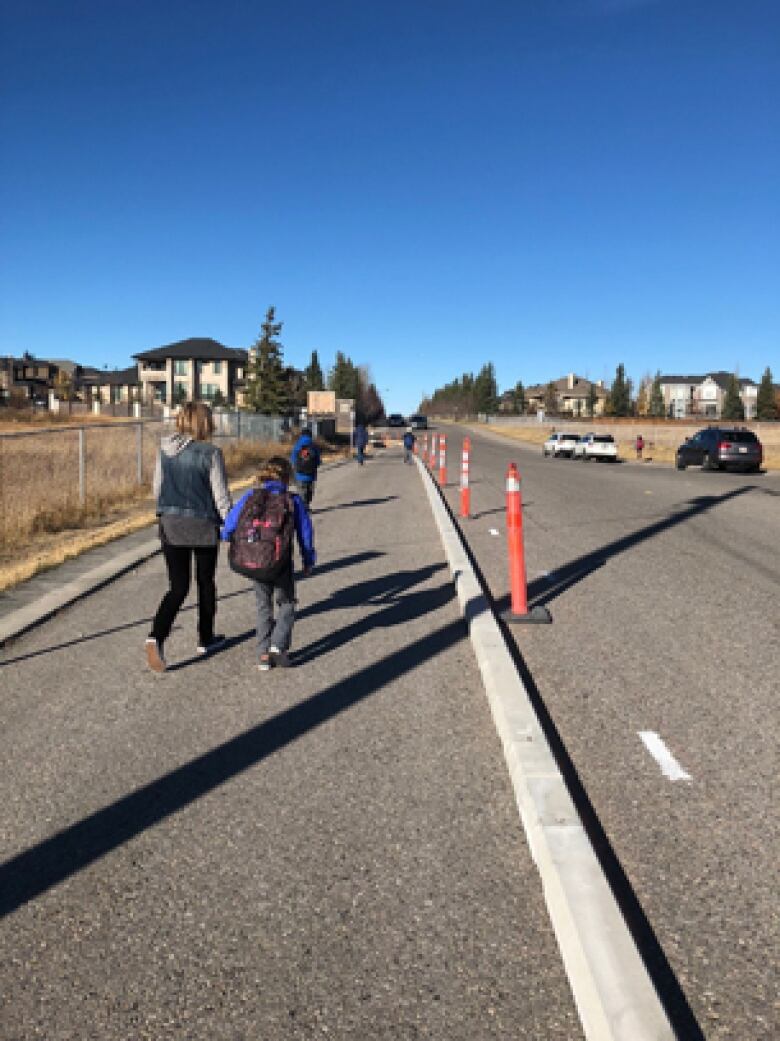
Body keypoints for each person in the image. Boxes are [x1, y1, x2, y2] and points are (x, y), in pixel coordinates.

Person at [145, 402, 232, 673]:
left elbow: (157, 488)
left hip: (171, 523)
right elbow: (220, 496)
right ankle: (206, 638)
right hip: (202, 524)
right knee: (205, 582)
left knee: (178, 586)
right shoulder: (211, 453)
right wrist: (230, 526)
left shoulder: (165, 451)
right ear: (205, 423)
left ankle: (156, 636)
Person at [222, 456, 315, 671]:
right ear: (286, 477)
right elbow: (306, 534)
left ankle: (263, 654)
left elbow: (230, 523)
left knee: (263, 606)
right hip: (280, 564)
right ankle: (278, 645)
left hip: (255, 561)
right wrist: (308, 559)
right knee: (287, 603)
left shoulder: (250, 496)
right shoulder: (293, 501)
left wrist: (229, 538)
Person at [290, 426, 321, 506]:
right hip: (311, 474)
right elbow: (318, 461)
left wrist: (295, 468)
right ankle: (306, 505)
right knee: (309, 492)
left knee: (301, 491)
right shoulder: (314, 446)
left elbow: (293, 459)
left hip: (299, 474)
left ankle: (303, 507)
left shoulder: (297, 445)